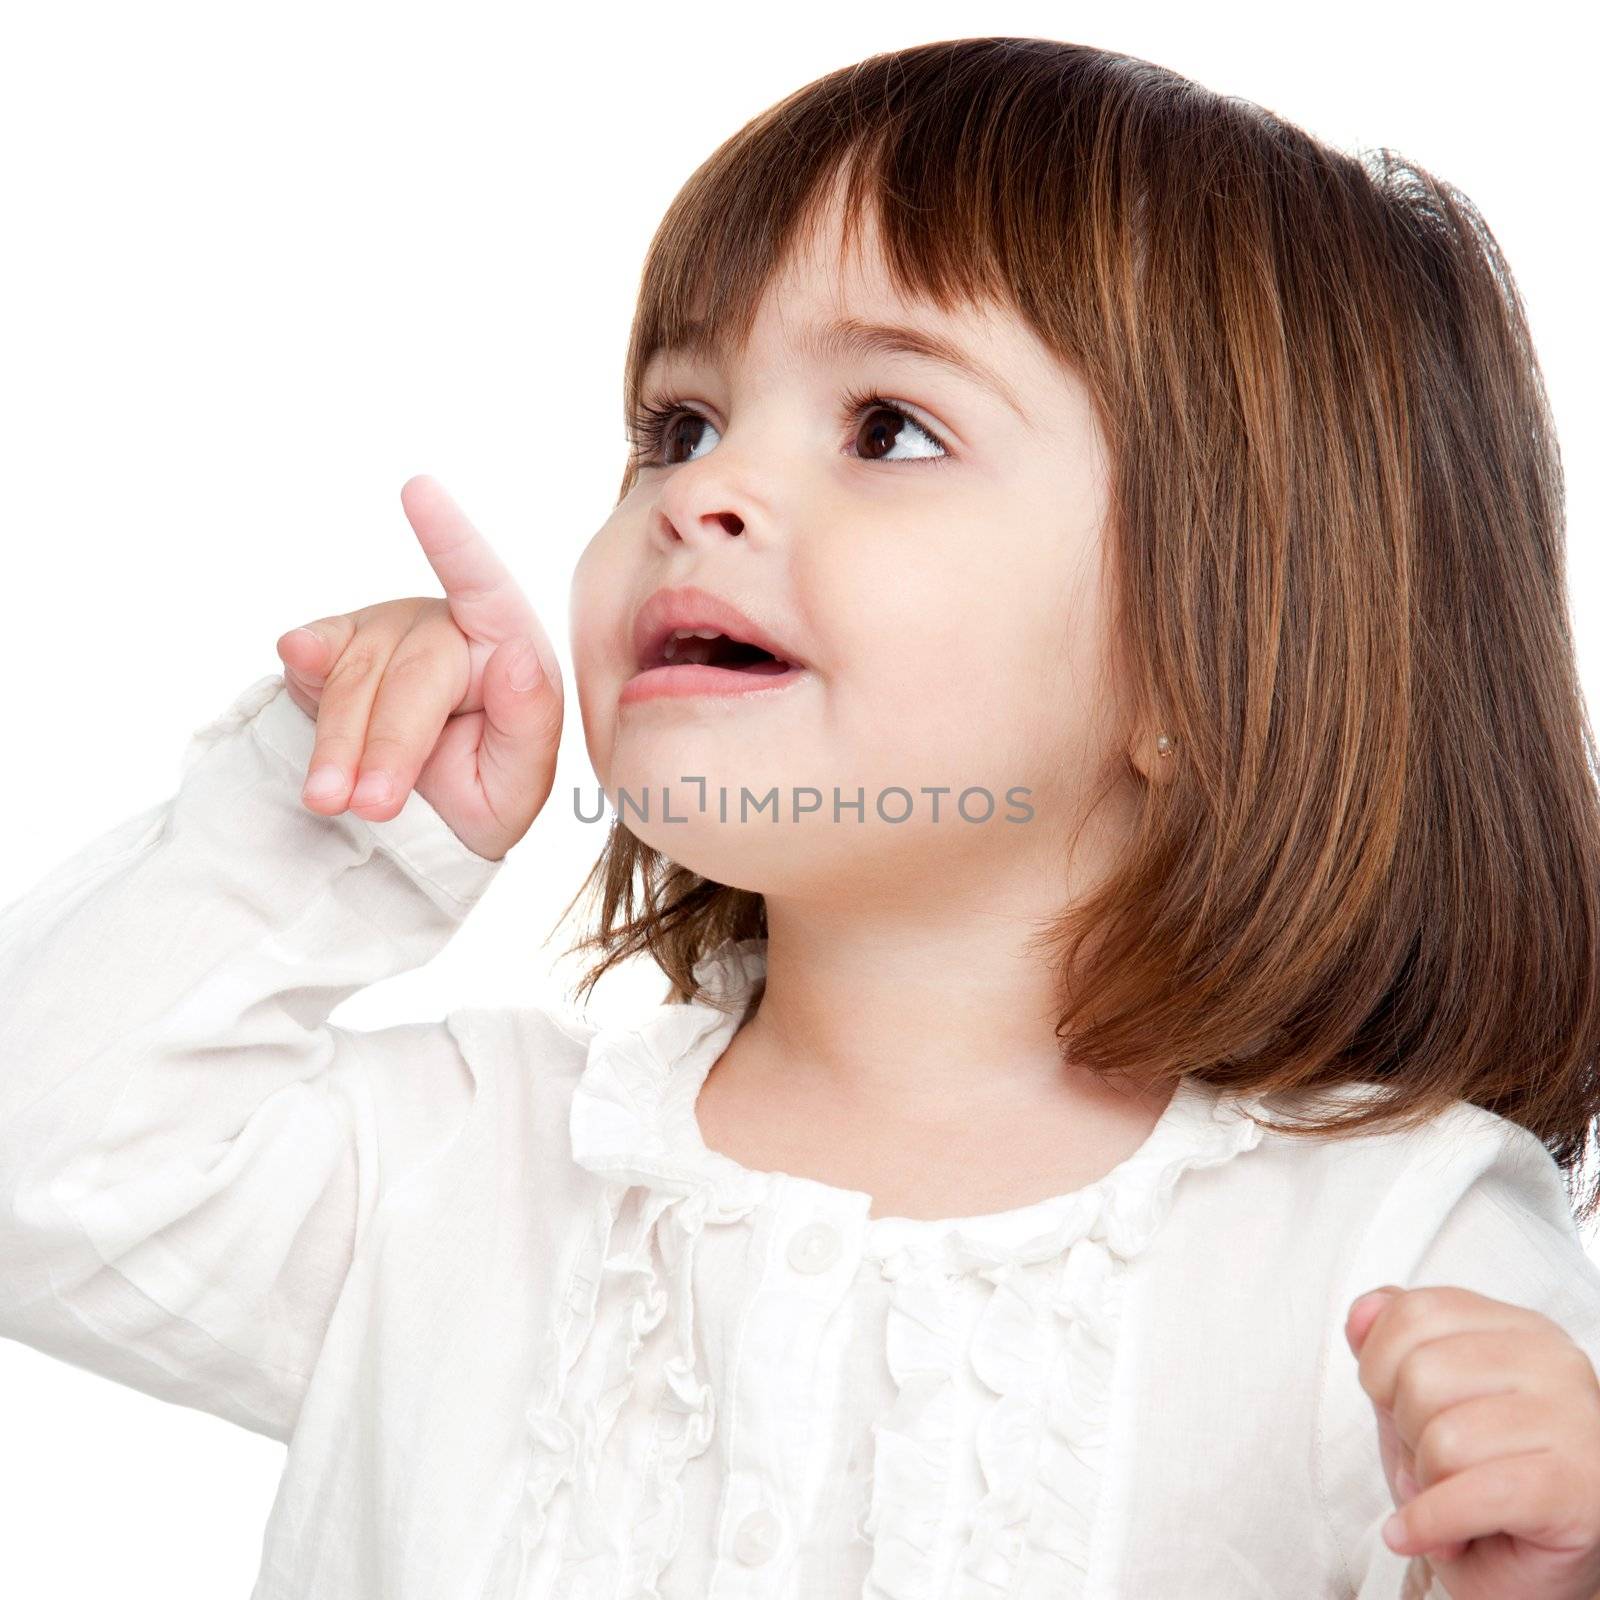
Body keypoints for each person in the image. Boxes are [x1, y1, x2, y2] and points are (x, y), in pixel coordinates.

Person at [4, 34, 1600, 1600]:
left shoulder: (1390, 1257)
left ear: (1220, 652)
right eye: (679, 424)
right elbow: (43, 1163)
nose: (699, 492)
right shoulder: (473, 1162)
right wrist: (349, 805)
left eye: (888, 429)